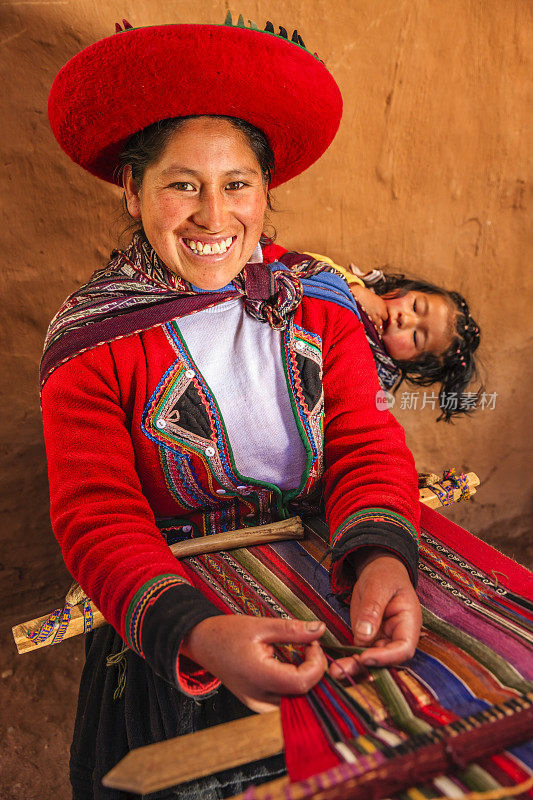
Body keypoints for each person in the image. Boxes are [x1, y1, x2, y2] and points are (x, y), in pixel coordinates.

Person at [42, 18, 421, 799]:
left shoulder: (316, 300)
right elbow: (97, 512)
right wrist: (198, 633)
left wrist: (382, 559)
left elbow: (364, 438)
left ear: (265, 189)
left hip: (326, 583)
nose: (214, 217)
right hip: (179, 609)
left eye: (236, 184)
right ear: (132, 188)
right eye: (182, 184)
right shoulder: (91, 342)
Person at [267, 249, 481, 421]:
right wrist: (351, 287)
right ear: (409, 288)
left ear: (413, 362)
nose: (405, 319)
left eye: (416, 338)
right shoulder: (357, 283)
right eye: (415, 306)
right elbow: (296, 263)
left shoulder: (375, 384)